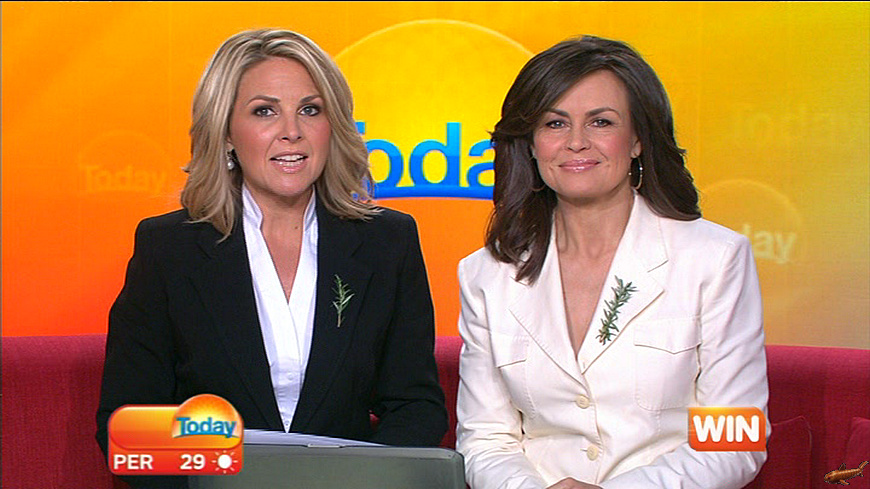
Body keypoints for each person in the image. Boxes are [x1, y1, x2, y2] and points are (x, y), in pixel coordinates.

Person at [96, 28, 448, 487]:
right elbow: (129, 423)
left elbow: (416, 406)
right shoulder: (169, 249)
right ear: (226, 133)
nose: (291, 131)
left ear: (333, 126)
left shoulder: (387, 241)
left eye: (310, 110)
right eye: (264, 111)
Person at [455, 35, 769, 489]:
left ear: (638, 139)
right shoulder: (486, 274)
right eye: (555, 124)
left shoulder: (715, 259)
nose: (576, 143)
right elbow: (484, 439)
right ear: (531, 143)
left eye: (600, 122)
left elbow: (734, 442)